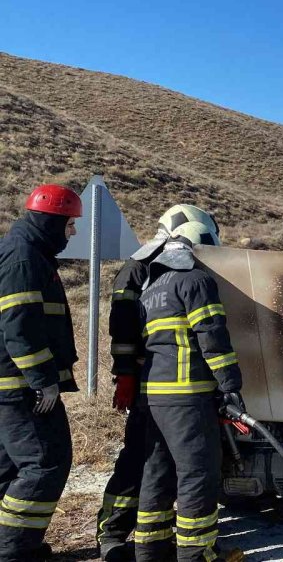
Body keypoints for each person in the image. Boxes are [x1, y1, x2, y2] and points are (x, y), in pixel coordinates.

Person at [96, 205, 221, 562]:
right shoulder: (141, 266)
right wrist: (126, 374)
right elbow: (122, 326)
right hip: (151, 382)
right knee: (140, 459)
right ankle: (113, 533)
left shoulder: (172, 267)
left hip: (161, 382)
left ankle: (155, 542)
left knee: (160, 466)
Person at [134, 217, 244, 562]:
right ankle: (197, 554)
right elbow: (211, 335)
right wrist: (230, 386)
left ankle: (150, 550)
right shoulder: (195, 281)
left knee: (158, 471)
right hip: (188, 396)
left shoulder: (152, 287)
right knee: (197, 472)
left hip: (154, 395)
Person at [0, 184, 82, 561]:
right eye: (69, 225)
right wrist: (43, 381)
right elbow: (19, 326)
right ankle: (15, 550)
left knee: (10, 468)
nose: (73, 233)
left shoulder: (26, 252)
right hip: (20, 389)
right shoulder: (23, 258)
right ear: (51, 222)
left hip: (11, 386)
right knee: (45, 463)